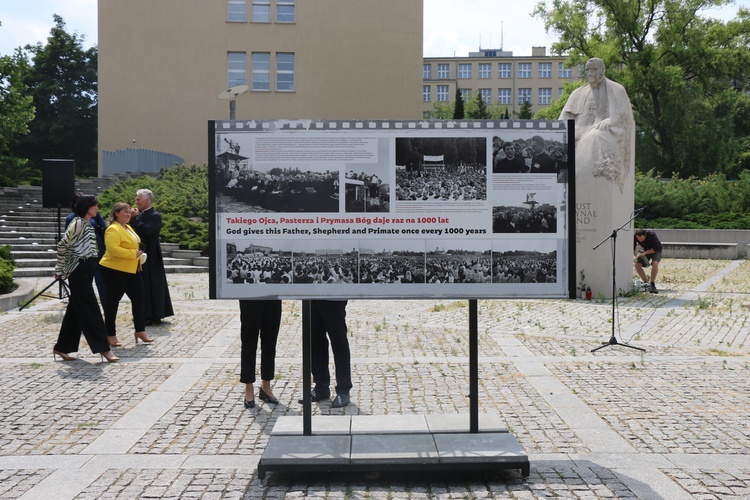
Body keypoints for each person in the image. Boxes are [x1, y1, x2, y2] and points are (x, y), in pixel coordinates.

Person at [53, 195, 119, 363]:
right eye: (94, 205)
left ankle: (61, 347)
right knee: (91, 309)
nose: (97, 208)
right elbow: (62, 245)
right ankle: (103, 348)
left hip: (88, 268)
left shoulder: (88, 223)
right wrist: (60, 269)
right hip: (79, 270)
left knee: (75, 311)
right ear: (86, 207)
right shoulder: (78, 223)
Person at [559, 57, 634, 191]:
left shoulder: (617, 89)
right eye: (587, 70)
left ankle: (584, 177)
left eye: (593, 70)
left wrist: (609, 121)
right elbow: (563, 119)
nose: (589, 73)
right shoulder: (578, 93)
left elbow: (623, 116)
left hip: (599, 131)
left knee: (594, 137)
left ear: (602, 70)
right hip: (577, 130)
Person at [99, 202, 154, 345]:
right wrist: (133, 253)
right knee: (113, 302)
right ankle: (110, 334)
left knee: (139, 299)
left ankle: (140, 330)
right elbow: (112, 250)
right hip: (114, 269)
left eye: (129, 212)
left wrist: (139, 253)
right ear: (116, 213)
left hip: (132, 268)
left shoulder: (128, 227)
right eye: (125, 212)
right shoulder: (112, 229)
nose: (129, 215)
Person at [130, 189, 174, 325]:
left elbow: (146, 230)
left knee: (153, 283)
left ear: (147, 201)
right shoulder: (139, 215)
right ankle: (144, 313)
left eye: (138, 199)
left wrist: (135, 218)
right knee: (142, 284)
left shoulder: (155, 215)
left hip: (152, 254)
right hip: (139, 252)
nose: (136, 202)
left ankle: (154, 314)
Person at [299, 300, 352, 408]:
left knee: (338, 340)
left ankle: (343, 389)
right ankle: (321, 388)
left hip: (333, 294)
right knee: (315, 339)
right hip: (311, 294)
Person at [66, 192, 108, 309]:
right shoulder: (72, 219)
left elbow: (104, 227)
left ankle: (107, 308)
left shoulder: (94, 216)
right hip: (83, 258)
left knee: (102, 283)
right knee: (84, 288)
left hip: (98, 252)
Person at [239, 300, 282, 409]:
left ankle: (266, 387)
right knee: (249, 341)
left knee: (270, 340)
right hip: (250, 295)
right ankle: (249, 388)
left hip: (273, 294)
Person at [634, 229, 662, 293]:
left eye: (642, 239)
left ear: (645, 235)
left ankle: (652, 283)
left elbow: (655, 248)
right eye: (639, 240)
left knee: (655, 263)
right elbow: (633, 247)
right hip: (645, 249)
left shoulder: (652, 234)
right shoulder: (635, 236)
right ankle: (646, 282)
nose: (641, 241)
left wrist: (645, 253)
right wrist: (634, 256)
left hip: (655, 250)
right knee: (637, 265)